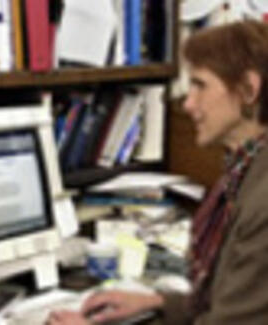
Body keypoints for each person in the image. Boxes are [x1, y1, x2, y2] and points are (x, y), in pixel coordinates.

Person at [47, 20, 268, 325]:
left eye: (200, 85)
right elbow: (224, 300)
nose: (188, 103)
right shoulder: (245, 168)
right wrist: (158, 301)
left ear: (248, 89)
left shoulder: (262, 198)